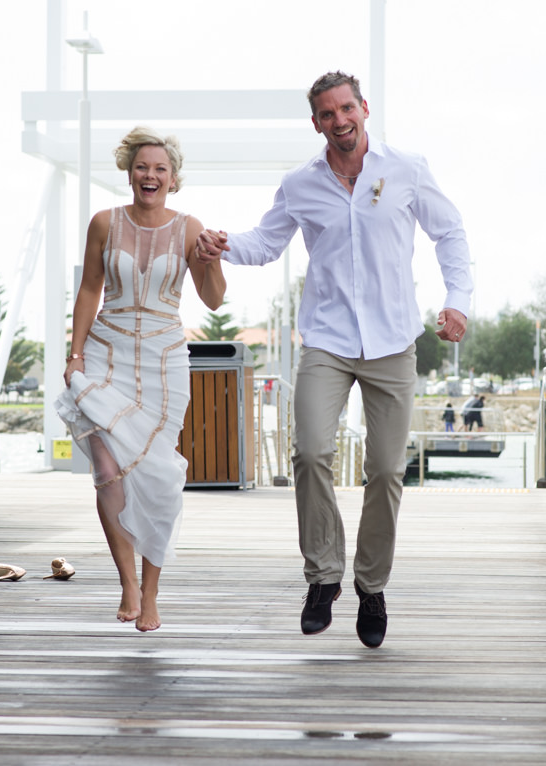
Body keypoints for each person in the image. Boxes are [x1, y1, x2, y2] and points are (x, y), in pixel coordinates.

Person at [195, 70, 472, 648]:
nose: (339, 121)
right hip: (325, 339)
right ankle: (323, 576)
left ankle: (371, 586)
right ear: (316, 122)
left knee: (387, 470)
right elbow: (267, 243)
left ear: (364, 108)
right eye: (327, 113)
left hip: (393, 340)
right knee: (312, 451)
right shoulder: (301, 183)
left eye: (347, 108)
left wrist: (457, 302)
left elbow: (450, 234)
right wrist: (224, 243)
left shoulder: (406, 169)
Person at [55, 126, 226, 633]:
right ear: (129, 173)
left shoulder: (190, 228)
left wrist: (212, 261)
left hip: (163, 360)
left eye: (160, 169)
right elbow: (89, 288)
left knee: (156, 476)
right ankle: (127, 581)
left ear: (173, 180)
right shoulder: (104, 223)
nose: (149, 175)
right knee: (107, 467)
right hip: (107, 352)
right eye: (141, 167)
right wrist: (76, 352)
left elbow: (213, 298)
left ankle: (152, 594)